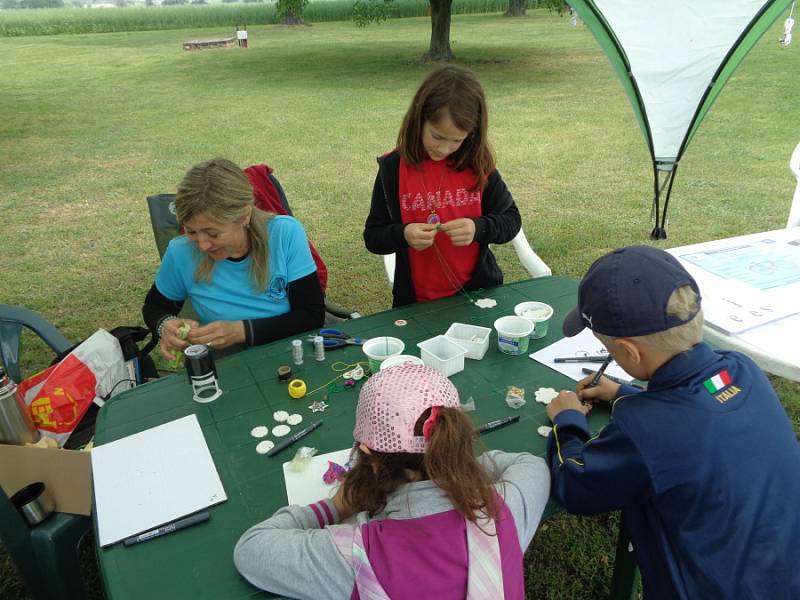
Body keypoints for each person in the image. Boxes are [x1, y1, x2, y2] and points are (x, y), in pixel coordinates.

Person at [545, 245, 800, 599]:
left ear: (630, 352)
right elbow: (699, 410)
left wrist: (567, 419)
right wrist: (625, 392)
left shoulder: (645, 429)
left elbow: (577, 486)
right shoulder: (740, 371)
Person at [234, 364, 550, 599]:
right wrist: (455, 467)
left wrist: (335, 505)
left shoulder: (358, 554)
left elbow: (250, 551)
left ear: (369, 456)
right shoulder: (505, 510)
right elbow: (530, 465)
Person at [363, 65, 522, 307]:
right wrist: (404, 234)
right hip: (416, 303)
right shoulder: (393, 169)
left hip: (479, 295)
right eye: (437, 136)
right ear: (419, 119)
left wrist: (477, 228)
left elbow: (511, 220)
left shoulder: (478, 165)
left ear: (472, 134)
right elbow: (373, 237)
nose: (444, 148)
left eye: (457, 140)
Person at [142, 158, 325, 359]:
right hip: (227, 360)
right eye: (191, 231)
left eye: (213, 234)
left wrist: (242, 332)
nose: (202, 245)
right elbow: (154, 306)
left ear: (245, 216)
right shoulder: (181, 251)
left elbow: (311, 315)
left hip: (290, 350)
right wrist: (164, 325)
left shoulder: (284, 234)